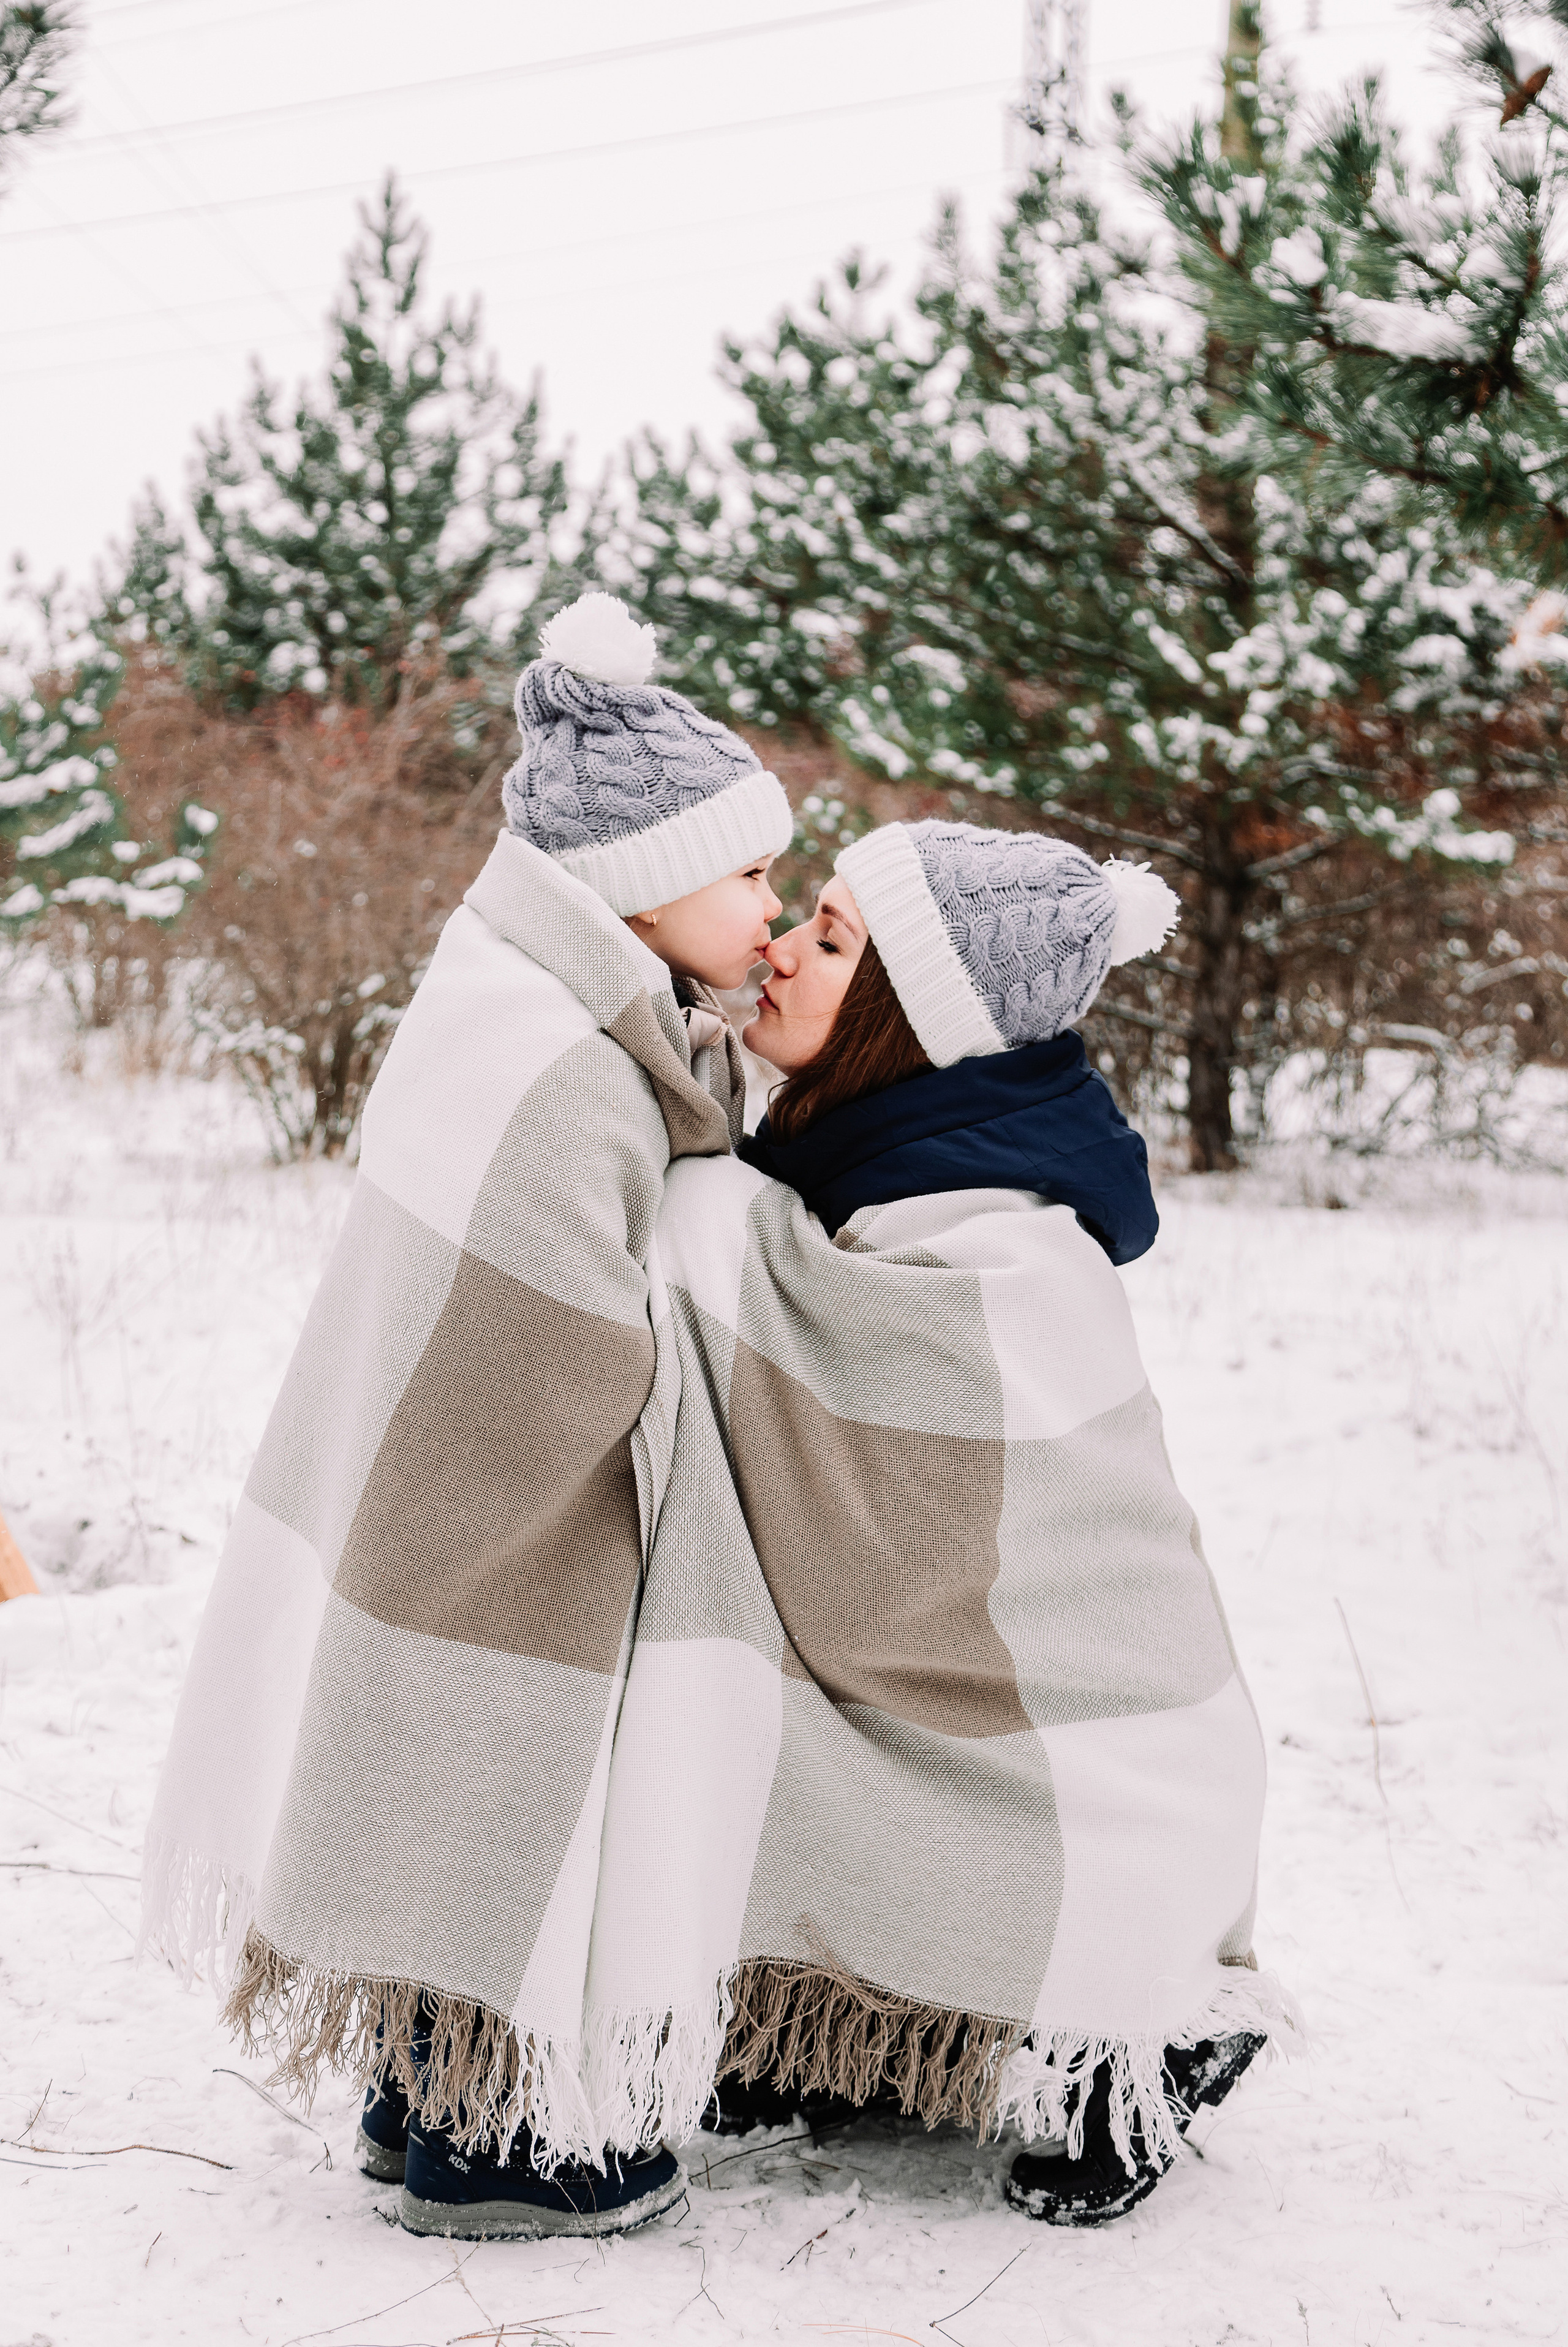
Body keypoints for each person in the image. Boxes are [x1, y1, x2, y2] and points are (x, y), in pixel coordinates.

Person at [139, 593, 793, 2242]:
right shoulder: (566, 1063)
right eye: (756, 876)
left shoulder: (530, 1000)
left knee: (445, 1763)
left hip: (426, 1494)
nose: (777, 916)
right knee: (516, 1783)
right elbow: (554, 1328)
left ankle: (422, 2090)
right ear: (648, 888)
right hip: (500, 1502)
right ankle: (506, 2144)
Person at [579, 819, 1296, 2228]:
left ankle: (1142, 2036)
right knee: (748, 1695)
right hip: (946, 1701)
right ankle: (852, 2014)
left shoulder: (1006, 1219)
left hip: (1097, 1757)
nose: (777, 946)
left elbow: (904, 1490)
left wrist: (708, 1215)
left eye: (832, 938)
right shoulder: (862, 1149)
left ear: (915, 1013)